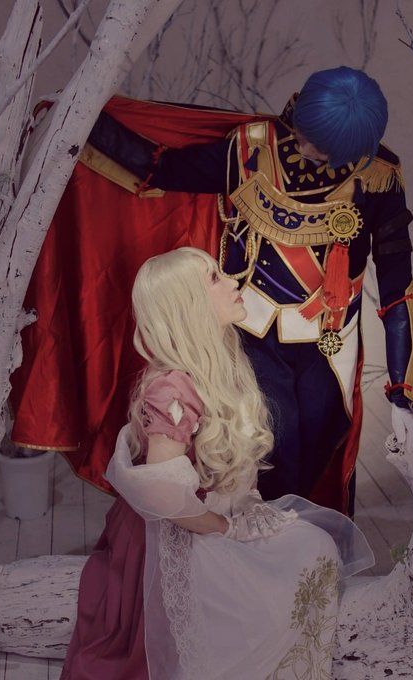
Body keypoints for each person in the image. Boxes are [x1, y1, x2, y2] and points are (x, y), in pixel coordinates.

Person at [85, 65, 413, 514]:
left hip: (331, 344)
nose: (303, 149)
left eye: (320, 148)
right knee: (273, 453)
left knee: (321, 453)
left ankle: (300, 549)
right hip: (252, 333)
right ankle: (266, 546)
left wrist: (404, 393)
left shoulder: (380, 176)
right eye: (305, 135)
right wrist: (84, 120)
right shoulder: (250, 148)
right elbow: (164, 169)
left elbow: (397, 285)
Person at [60, 247, 374, 680]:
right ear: (188, 306)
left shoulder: (221, 366)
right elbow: (164, 495)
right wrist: (227, 528)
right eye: (214, 278)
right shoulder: (171, 390)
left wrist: (245, 508)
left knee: (313, 546)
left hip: (211, 516)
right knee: (294, 564)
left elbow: (229, 468)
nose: (233, 282)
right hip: (176, 535)